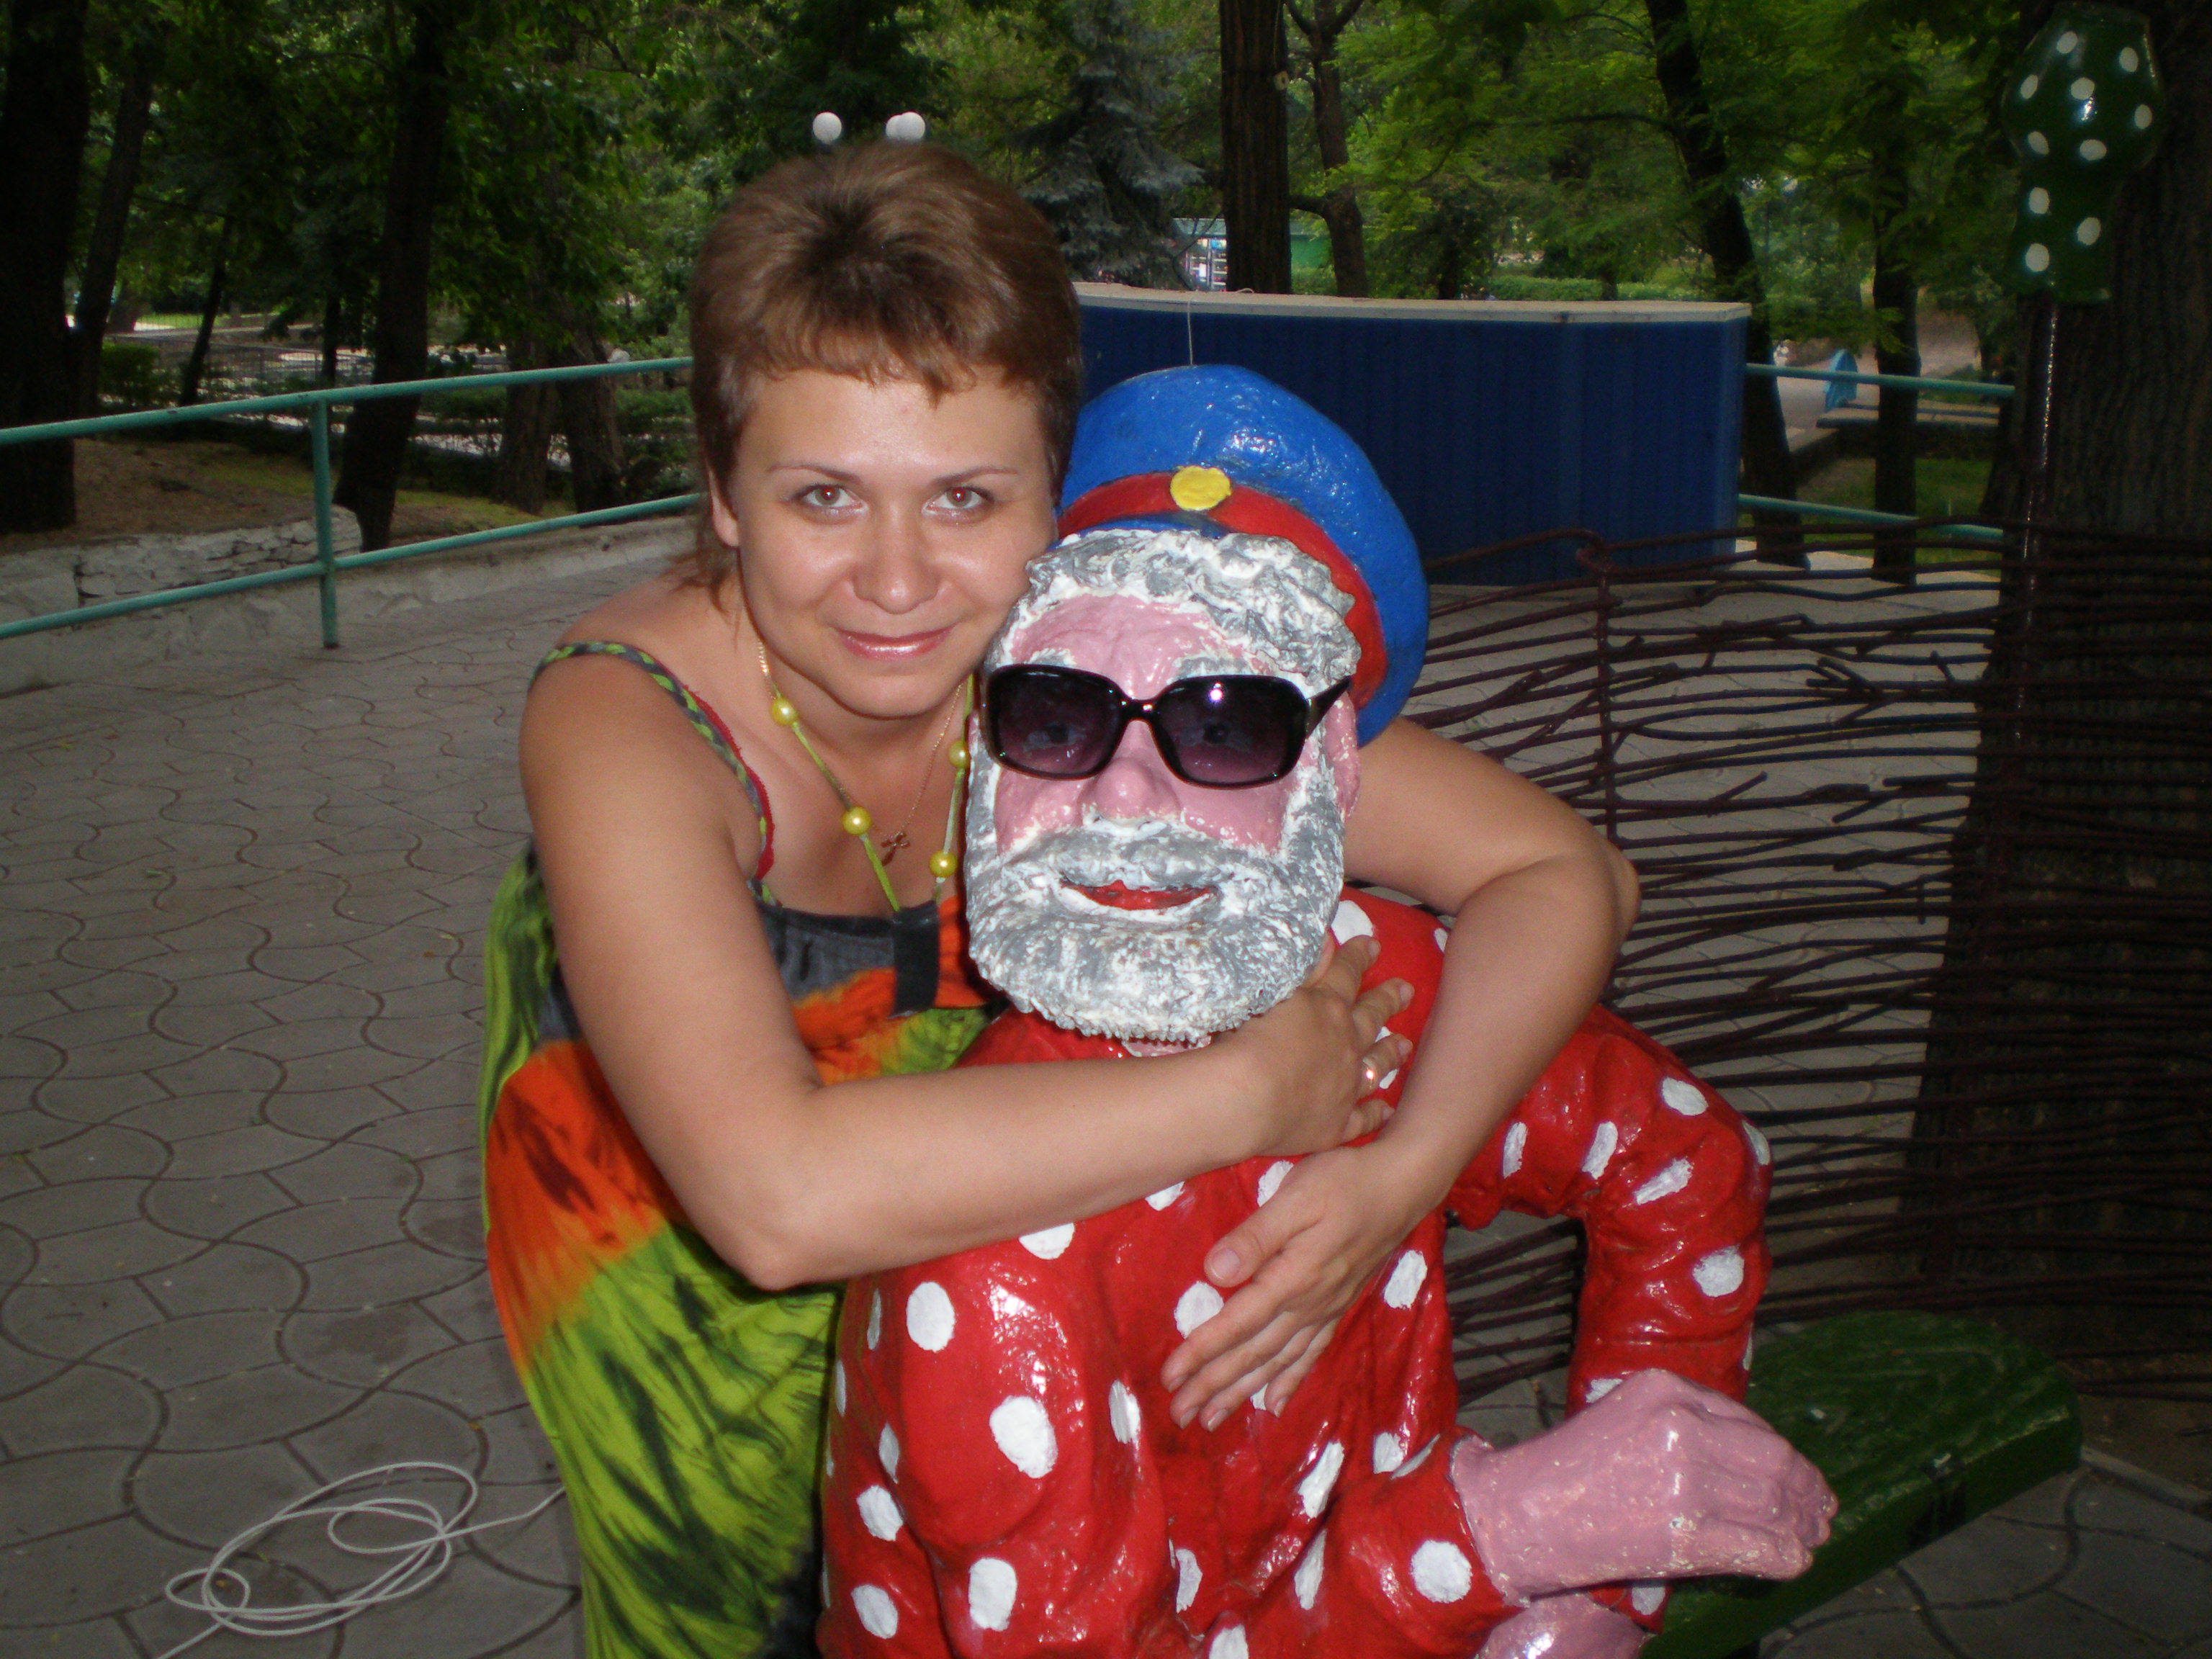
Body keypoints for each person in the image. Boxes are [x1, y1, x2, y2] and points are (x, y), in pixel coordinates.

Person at [478, 141, 1639, 1659]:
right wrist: (1258, 1093)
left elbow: (1563, 871)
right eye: (825, 495)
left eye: (965, 497)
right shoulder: (621, 720)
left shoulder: (1080, 664)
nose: (898, 581)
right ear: (724, 496)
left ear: (1055, 501)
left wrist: (1402, 1173)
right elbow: (772, 1200)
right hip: (684, 1305)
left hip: (1006, 1291)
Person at [818, 372, 1834, 1658]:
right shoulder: (988, 1273)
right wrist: (1504, 1535)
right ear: (986, 750)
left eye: (1225, 725)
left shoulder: (1370, 999)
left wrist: (1608, 1583)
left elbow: (1680, 1157)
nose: (1126, 798)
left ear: (1332, 772)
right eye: (1058, 714)